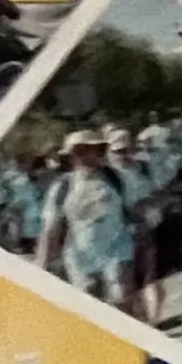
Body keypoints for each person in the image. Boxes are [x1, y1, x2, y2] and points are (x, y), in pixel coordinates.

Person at [36, 131, 143, 319]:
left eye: (89, 149)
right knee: (91, 309)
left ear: (99, 151)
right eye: (78, 151)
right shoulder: (62, 186)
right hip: (80, 256)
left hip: (117, 248)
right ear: (70, 156)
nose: (84, 155)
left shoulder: (117, 178)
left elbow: (136, 208)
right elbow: (51, 228)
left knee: (122, 300)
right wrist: (41, 266)